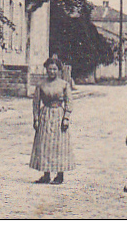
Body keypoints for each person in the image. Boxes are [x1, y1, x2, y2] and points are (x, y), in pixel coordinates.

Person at [30, 55, 74, 184]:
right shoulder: (41, 85)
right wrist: (36, 118)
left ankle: (60, 175)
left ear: (58, 70)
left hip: (59, 116)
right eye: (50, 69)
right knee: (44, 145)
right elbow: (36, 102)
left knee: (59, 145)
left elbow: (69, 102)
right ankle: (46, 174)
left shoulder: (64, 84)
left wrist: (66, 118)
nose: (52, 72)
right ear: (46, 70)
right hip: (45, 116)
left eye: (54, 69)